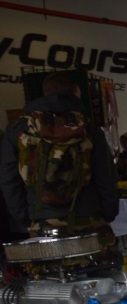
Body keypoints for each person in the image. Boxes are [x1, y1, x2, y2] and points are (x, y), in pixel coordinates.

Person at [0, 71, 119, 265]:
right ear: (74, 94)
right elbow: (106, 176)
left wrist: (26, 217)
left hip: (42, 220)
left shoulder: (18, 129)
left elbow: (8, 180)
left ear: (45, 92)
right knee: (102, 272)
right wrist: (108, 213)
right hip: (89, 216)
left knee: (50, 276)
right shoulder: (88, 128)